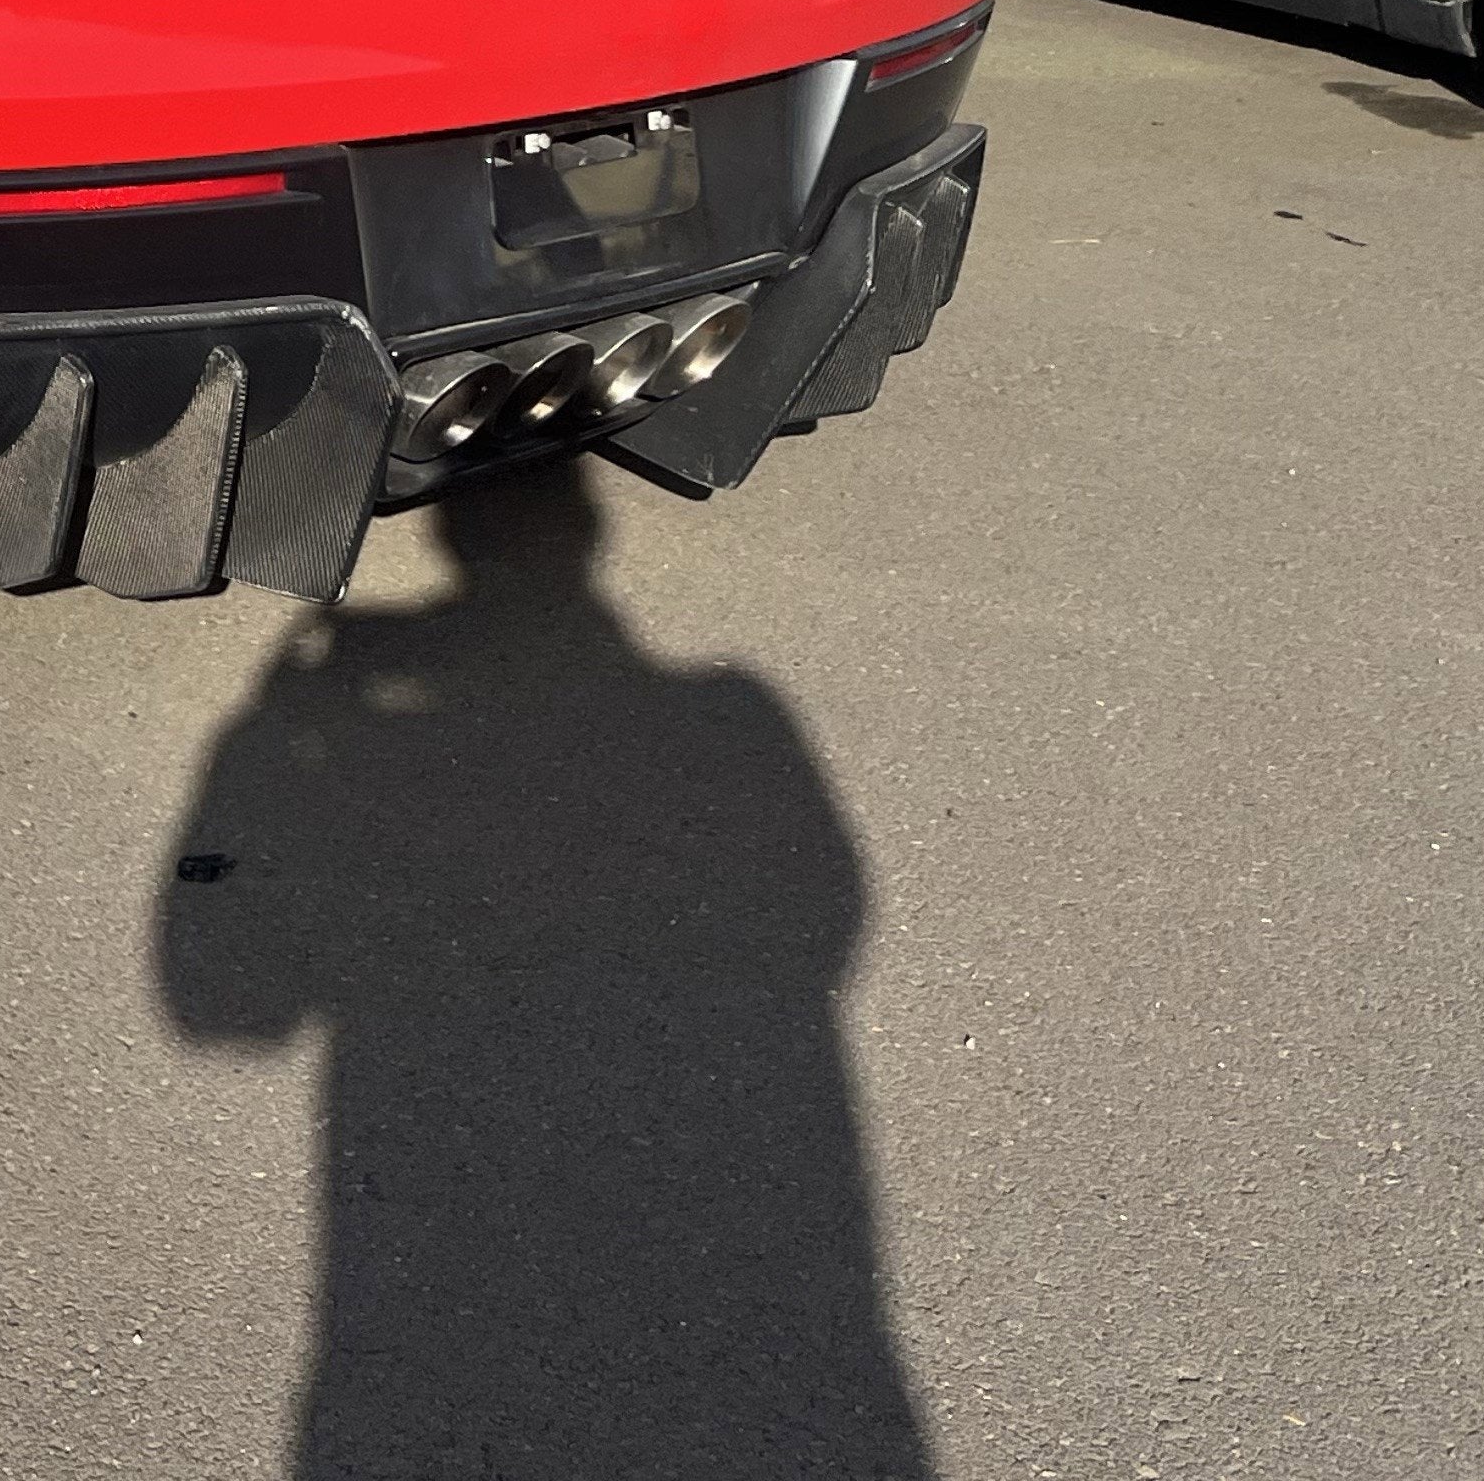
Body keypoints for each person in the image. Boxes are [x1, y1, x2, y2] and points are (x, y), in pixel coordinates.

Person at [163, 456, 932, 1478]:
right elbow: (829, 916)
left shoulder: (721, 713)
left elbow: (224, 1005)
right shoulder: (733, 712)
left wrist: (275, 730)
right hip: (762, 1212)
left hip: (427, 1238)